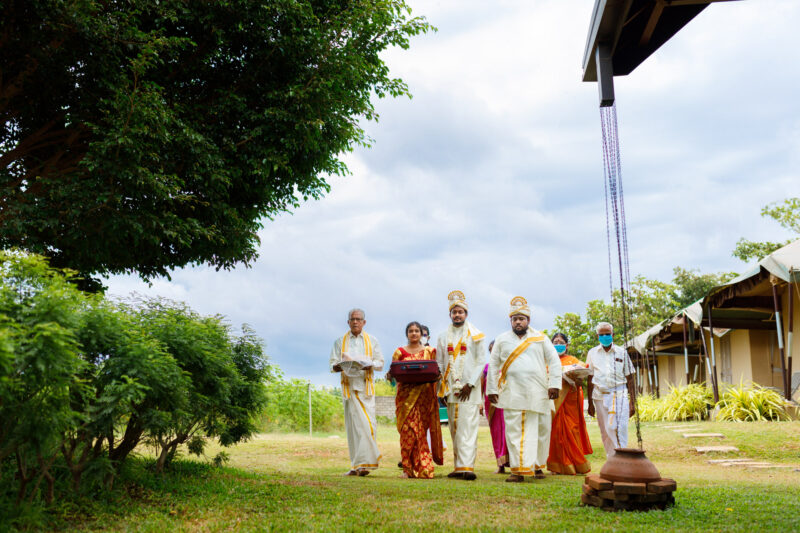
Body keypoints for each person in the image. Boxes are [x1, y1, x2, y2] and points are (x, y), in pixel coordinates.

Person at [486, 296, 561, 482]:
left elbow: (553, 360)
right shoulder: (502, 340)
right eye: (514, 319)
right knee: (513, 430)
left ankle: (536, 466)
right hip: (512, 391)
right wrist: (492, 389)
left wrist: (554, 384)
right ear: (510, 321)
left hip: (538, 391)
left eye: (521, 318)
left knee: (539, 430)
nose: (518, 322)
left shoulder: (540, 338)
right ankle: (517, 470)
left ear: (528, 320)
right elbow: (493, 365)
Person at [436, 290, 486, 481]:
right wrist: (441, 387)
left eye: (460, 312)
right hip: (450, 389)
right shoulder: (442, 336)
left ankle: (467, 467)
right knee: (454, 428)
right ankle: (459, 467)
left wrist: (470, 384)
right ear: (450, 314)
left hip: (469, 391)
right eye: (454, 312)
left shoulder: (476, 335)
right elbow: (440, 363)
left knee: (468, 427)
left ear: (466, 314)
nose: (457, 315)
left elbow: (481, 361)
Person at [329, 308, 384, 476]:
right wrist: (341, 365)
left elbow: (380, 363)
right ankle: (356, 465)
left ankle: (366, 464)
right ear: (348, 322)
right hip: (349, 388)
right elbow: (333, 364)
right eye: (352, 319)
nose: (355, 322)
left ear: (364, 322)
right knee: (353, 428)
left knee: (367, 425)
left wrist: (368, 364)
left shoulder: (372, 340)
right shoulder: (339, 342)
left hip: (365, 389)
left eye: (358, 319)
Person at [388, 322, 444, 479]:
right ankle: (407, 468)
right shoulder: (399, 352)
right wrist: (389, 376)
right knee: (407, 432)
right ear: (407, 334)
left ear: (421, 334)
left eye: (416, 331)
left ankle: (423, 467)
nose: (414, 333)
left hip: (424, 397)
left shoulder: (430, 351)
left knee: (419, 432)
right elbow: (393, 376)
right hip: (405, 398)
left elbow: (437, 372)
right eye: (411, 331)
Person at [586, 322, 636, 457]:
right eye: (601, 335)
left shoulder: (622, 352)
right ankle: (612, 460)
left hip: (620, 394)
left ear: (613, 335)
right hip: (599, 396)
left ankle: (622, 456)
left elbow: (630, 378)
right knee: (605, 430)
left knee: (619, 427)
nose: (605, 336)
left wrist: (633, 402)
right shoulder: (592, 353)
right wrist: (590, 403)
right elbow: (589, 379)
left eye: (607, 334)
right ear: (597, 336)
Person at [546, 333, 593, 475]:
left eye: (561, 342)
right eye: (555, 342)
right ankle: (557, 466)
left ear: (567, 345)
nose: (558, 344)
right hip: (554, 400)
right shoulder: (546, 361)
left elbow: (581, 379)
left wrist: (578, 379)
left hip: (571, 400)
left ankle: (575, 463)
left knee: (572, 430)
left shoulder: (574, 361)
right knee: (555, 432)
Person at [481, 340, 509, 473]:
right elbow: (482, 386)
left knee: (508, 432)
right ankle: (500, 465)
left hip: (507, 404)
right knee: (496, 433)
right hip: (491, 404)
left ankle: (513, 462)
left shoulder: (508, 367)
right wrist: (480, 404)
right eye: (491, 350)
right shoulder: (486, 367)